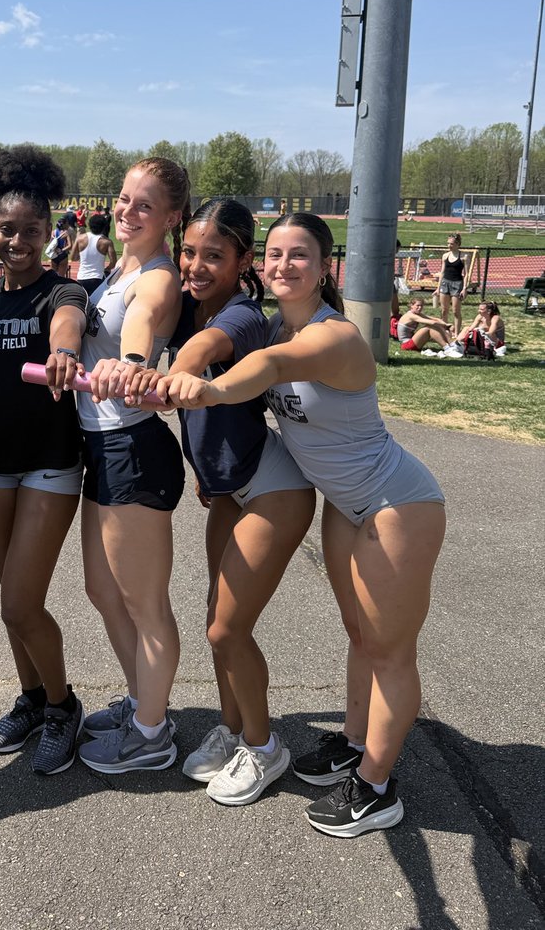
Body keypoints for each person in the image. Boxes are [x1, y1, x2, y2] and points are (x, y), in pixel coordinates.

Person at [159, 212, 445, 837]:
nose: (283, 265)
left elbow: (269, 368)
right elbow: (247, 351)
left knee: (390, 650)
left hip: (398, 502)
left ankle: (375, 788)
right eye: (275, 254)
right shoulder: (269, 324)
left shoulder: (333, 336)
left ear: (323, 267)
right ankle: (353, 743)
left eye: (299, 255)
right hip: (345, 504)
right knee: (359, 634)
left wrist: (206, 390)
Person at [126, 199, 314, 805]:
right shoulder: (186, 303)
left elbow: (205, 349)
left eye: (214, 255)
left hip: (274, 490)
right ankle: (233, 730)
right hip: (229, 491)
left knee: (228, 628)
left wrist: (175, 372)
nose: (196, 265)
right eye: (189, 252)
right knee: (217, 623)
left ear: (242, 262)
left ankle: (264, 747)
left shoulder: (244, 316)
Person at [0, 145, 88, 774]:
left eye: (31, 231)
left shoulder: (61, 291)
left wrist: (63, 352)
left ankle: (65, 708)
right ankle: (34, 698)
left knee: (19, 602)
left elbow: (67, 324)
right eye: (6, 229)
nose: (17, 242)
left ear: (49, 235)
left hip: (49, 463)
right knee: (10, 598)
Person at [75, 157, 189, 774]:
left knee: (145, 604)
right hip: (99, 444)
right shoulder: (120, 266)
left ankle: (151, 733)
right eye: (124, 198)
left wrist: (134, 362)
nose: (128, 211)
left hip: (132, 448)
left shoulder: (158, 279)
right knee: (102, 590)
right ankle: (144, 699)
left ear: (171, 218)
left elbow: (142, 324)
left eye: (145, 205)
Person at [70, 213, 117, 294]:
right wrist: (107, 268)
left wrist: (82, 256)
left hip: (82, 277)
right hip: (97, 278)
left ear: (89, 225)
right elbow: (113, 262)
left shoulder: (80, 239)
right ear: (103, 227)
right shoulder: (107, 242)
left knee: (84, 301)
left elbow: (73, 258)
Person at [437, 233, 467, 334]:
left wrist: (464, 288)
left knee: (455, 311)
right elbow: (442, 272)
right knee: (444, 310)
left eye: (452, 244)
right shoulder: (445, 256)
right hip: (445, 283)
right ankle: (444, 331)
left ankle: (457, 334)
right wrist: (438, 288)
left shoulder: (463, 256)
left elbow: (466, 274)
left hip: (457, 284)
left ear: (458, 244)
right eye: (448, 243)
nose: (449, 245)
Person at [46, 215, 73, 279]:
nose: (68, 225)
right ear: (64, 224)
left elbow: (51, 244)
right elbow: (70, 246)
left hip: (54, 255)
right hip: (63, 256)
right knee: (61, 277)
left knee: (53, 277)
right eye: (67, 223)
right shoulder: (66, 233)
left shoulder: (53, 232)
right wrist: (62, 250)